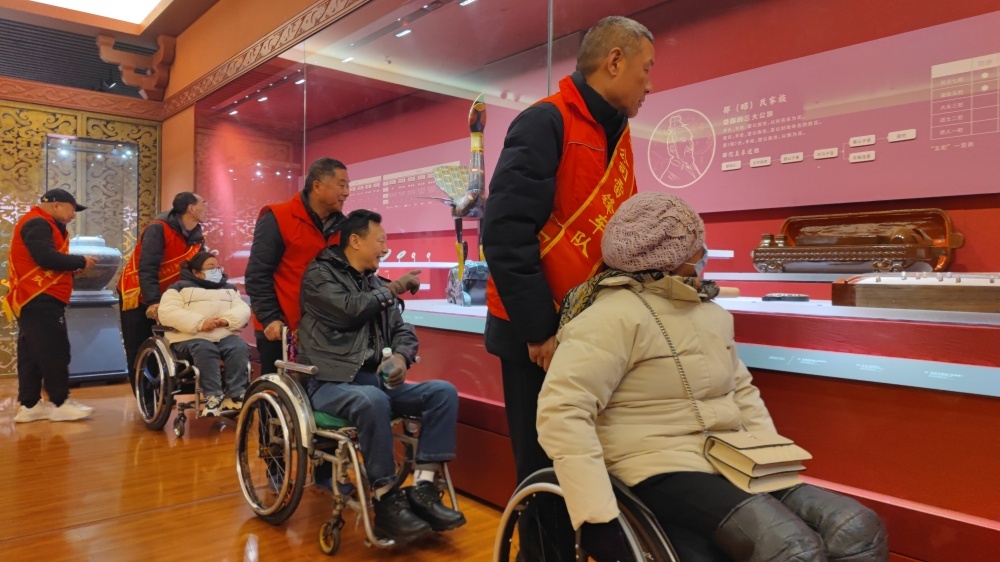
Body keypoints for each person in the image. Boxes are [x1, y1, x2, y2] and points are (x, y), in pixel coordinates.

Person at [537, 192, 889, 562]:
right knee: (790, 548)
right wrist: (596, 511)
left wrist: (770, 459)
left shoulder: (711, 314)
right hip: (654, 465)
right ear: (674, 255)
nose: (702, 252)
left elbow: (742, 392)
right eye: (696, 244)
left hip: (730, 456)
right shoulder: (608, 319)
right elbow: (563, 413)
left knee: (855, 527)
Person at [481, 15, 655, 560]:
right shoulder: (546, 121)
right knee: (545, 470)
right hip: (537, 334)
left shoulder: (617, 133)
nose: (650, 83)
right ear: (615, 61)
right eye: (646, 69)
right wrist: (539, 331)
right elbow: (505, 232)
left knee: (585, 467)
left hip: (589, 329)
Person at [298, 209, 465, 543]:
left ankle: (423, 489)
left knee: (442, 393)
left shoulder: (375, 284)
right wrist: (396, 287)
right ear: (355, 241)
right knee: (372, 399)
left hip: (374, 384)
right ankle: (386, 499)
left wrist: (401, 357)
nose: (385, 248)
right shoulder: (318, 276)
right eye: (380, 240)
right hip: (330, 383)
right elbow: (348, 311)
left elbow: (403, 331)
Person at [246, 157, 349, 377]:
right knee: (278, 389)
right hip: (280, 329)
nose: (346, 193)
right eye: (341, 185)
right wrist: (270, 318)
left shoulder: (344, 227)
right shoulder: (277, 217)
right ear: (317, 186)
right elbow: (257, 274)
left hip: (325, 330)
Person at [5, 189, 98, 422]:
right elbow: (45, 258)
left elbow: (43, 262)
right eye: (72, 210)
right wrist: (80, 261)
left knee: (32, 354)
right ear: (56, 205)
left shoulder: (40, 223)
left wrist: (71, 268)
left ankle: (29, 405)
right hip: (40, 297)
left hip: (32, 298)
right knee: (55, 350)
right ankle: (60, 402)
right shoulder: (38, 223)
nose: (73, 216)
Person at [119, 192, 207, 391]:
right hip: (139, 294)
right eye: (203, 204)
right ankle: (146, 398)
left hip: (170, 296)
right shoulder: (158, 229)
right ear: (191, 208)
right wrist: (153, 302)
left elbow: (199, 268)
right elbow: (147, 268)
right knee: (140, 347)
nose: (207, 209)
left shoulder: (196, 234)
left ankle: (171, 392)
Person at [156, 252, 251, 415]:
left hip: (222, 334)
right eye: (211, 267)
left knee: (238, 346)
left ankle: (235, 395)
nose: (216, 270)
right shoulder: (178, 288)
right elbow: (168, 312)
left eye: (218, 267)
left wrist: (226, 320)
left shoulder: (229, 289)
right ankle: (214, 396)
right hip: (190, 337)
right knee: (205, 348)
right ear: (196, 272)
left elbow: (242, 309)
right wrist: (200, 323)